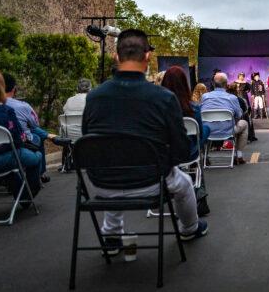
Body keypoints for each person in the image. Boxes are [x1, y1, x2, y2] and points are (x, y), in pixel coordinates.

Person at [82, 29, 207, 249]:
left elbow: (89, 141)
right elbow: (181, 151)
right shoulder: (164, 98)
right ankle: (189, 229)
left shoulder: (93, 97)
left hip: (102, 182)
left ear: (116, 57)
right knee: (185, 183)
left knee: (114, 165)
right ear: (148, 57)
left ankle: (111, 236)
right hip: (151, 181)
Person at [161, 66, 211, 216]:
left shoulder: (158, 108)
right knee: (205, 131)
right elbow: (200, 133)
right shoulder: (193, 108)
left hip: (164, 155)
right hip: (188, 153)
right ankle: (200, 196)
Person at [0, 70, 42, 201]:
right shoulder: (6, 111)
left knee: (13, 168)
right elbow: (18, 140)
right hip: (3, 158)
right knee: (35, 157)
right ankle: (27, 198)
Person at [3, 73, 55, 182]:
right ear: (14, 89)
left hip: (0, 146)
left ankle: (51, 136)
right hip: (17, 145)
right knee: (36, 136)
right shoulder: (22, 106)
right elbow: (35, 124)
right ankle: (39, 175)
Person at [201, 72, 249, 164]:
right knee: (244, 124)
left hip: (208, 131)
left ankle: (205, 156)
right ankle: (238, 155)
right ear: (226, 85)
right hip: (228, 131)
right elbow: (239, 115)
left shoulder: (205, 97)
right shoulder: (232, 98)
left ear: (213, 84)